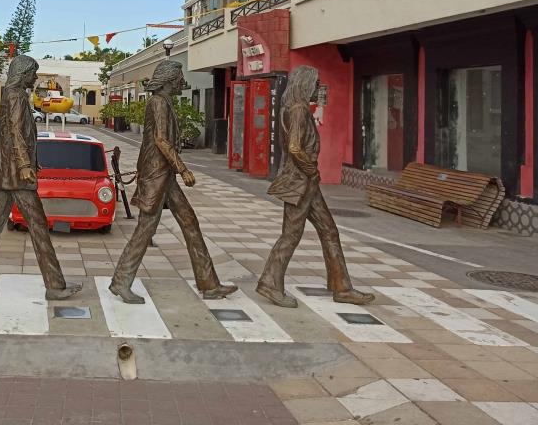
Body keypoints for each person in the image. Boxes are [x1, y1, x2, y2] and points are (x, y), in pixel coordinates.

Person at [109, 60, 237, 304]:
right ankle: (120, 281)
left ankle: (209, 284)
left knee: (189, 222)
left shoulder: (164, 101)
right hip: (157, 175)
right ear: (169, 79)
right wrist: (183, 168)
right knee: (146, 229)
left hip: (164, 175)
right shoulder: (158, 102)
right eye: (178, 78)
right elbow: (161, 140)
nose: (182, 82)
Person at [0, 55, 82, 300]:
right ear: (22, 73)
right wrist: (25, 164)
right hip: (16, 175)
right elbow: (15, 131)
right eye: (32, 73)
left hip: (9, 172)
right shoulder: (15, 96)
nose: (35, 78)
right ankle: (55, 285)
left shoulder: (14, 95)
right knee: (38, 226)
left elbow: (19, 133)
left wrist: (32, 162)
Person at [256, 65, 374, 308]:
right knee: (291, 235)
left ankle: (341, 286)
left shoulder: (292, 108)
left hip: (307, 183)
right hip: (300, 182)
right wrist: (310, 168)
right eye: (315, 83)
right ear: (305, 84)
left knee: (329, 230)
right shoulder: (298, 110)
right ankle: (269, 283)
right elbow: (295, 148)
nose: (318, 88)